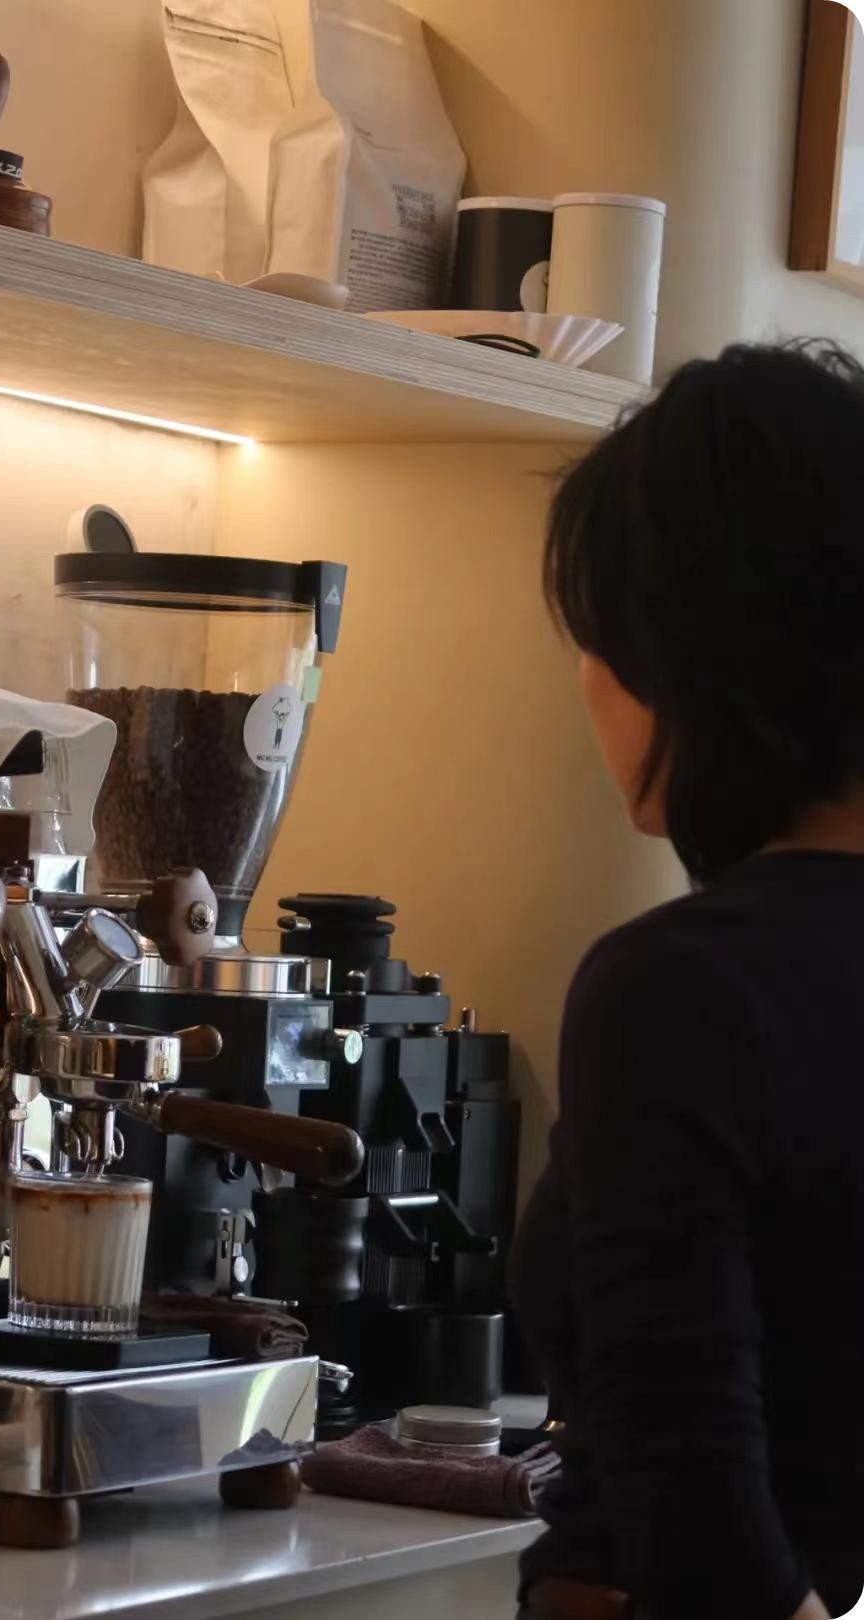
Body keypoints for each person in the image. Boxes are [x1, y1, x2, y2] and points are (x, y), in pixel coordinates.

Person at [511, 341, 864, 1620]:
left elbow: (695, 1503)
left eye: (603, 638)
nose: (587, 679)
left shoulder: (679, 989)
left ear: (693, 658)